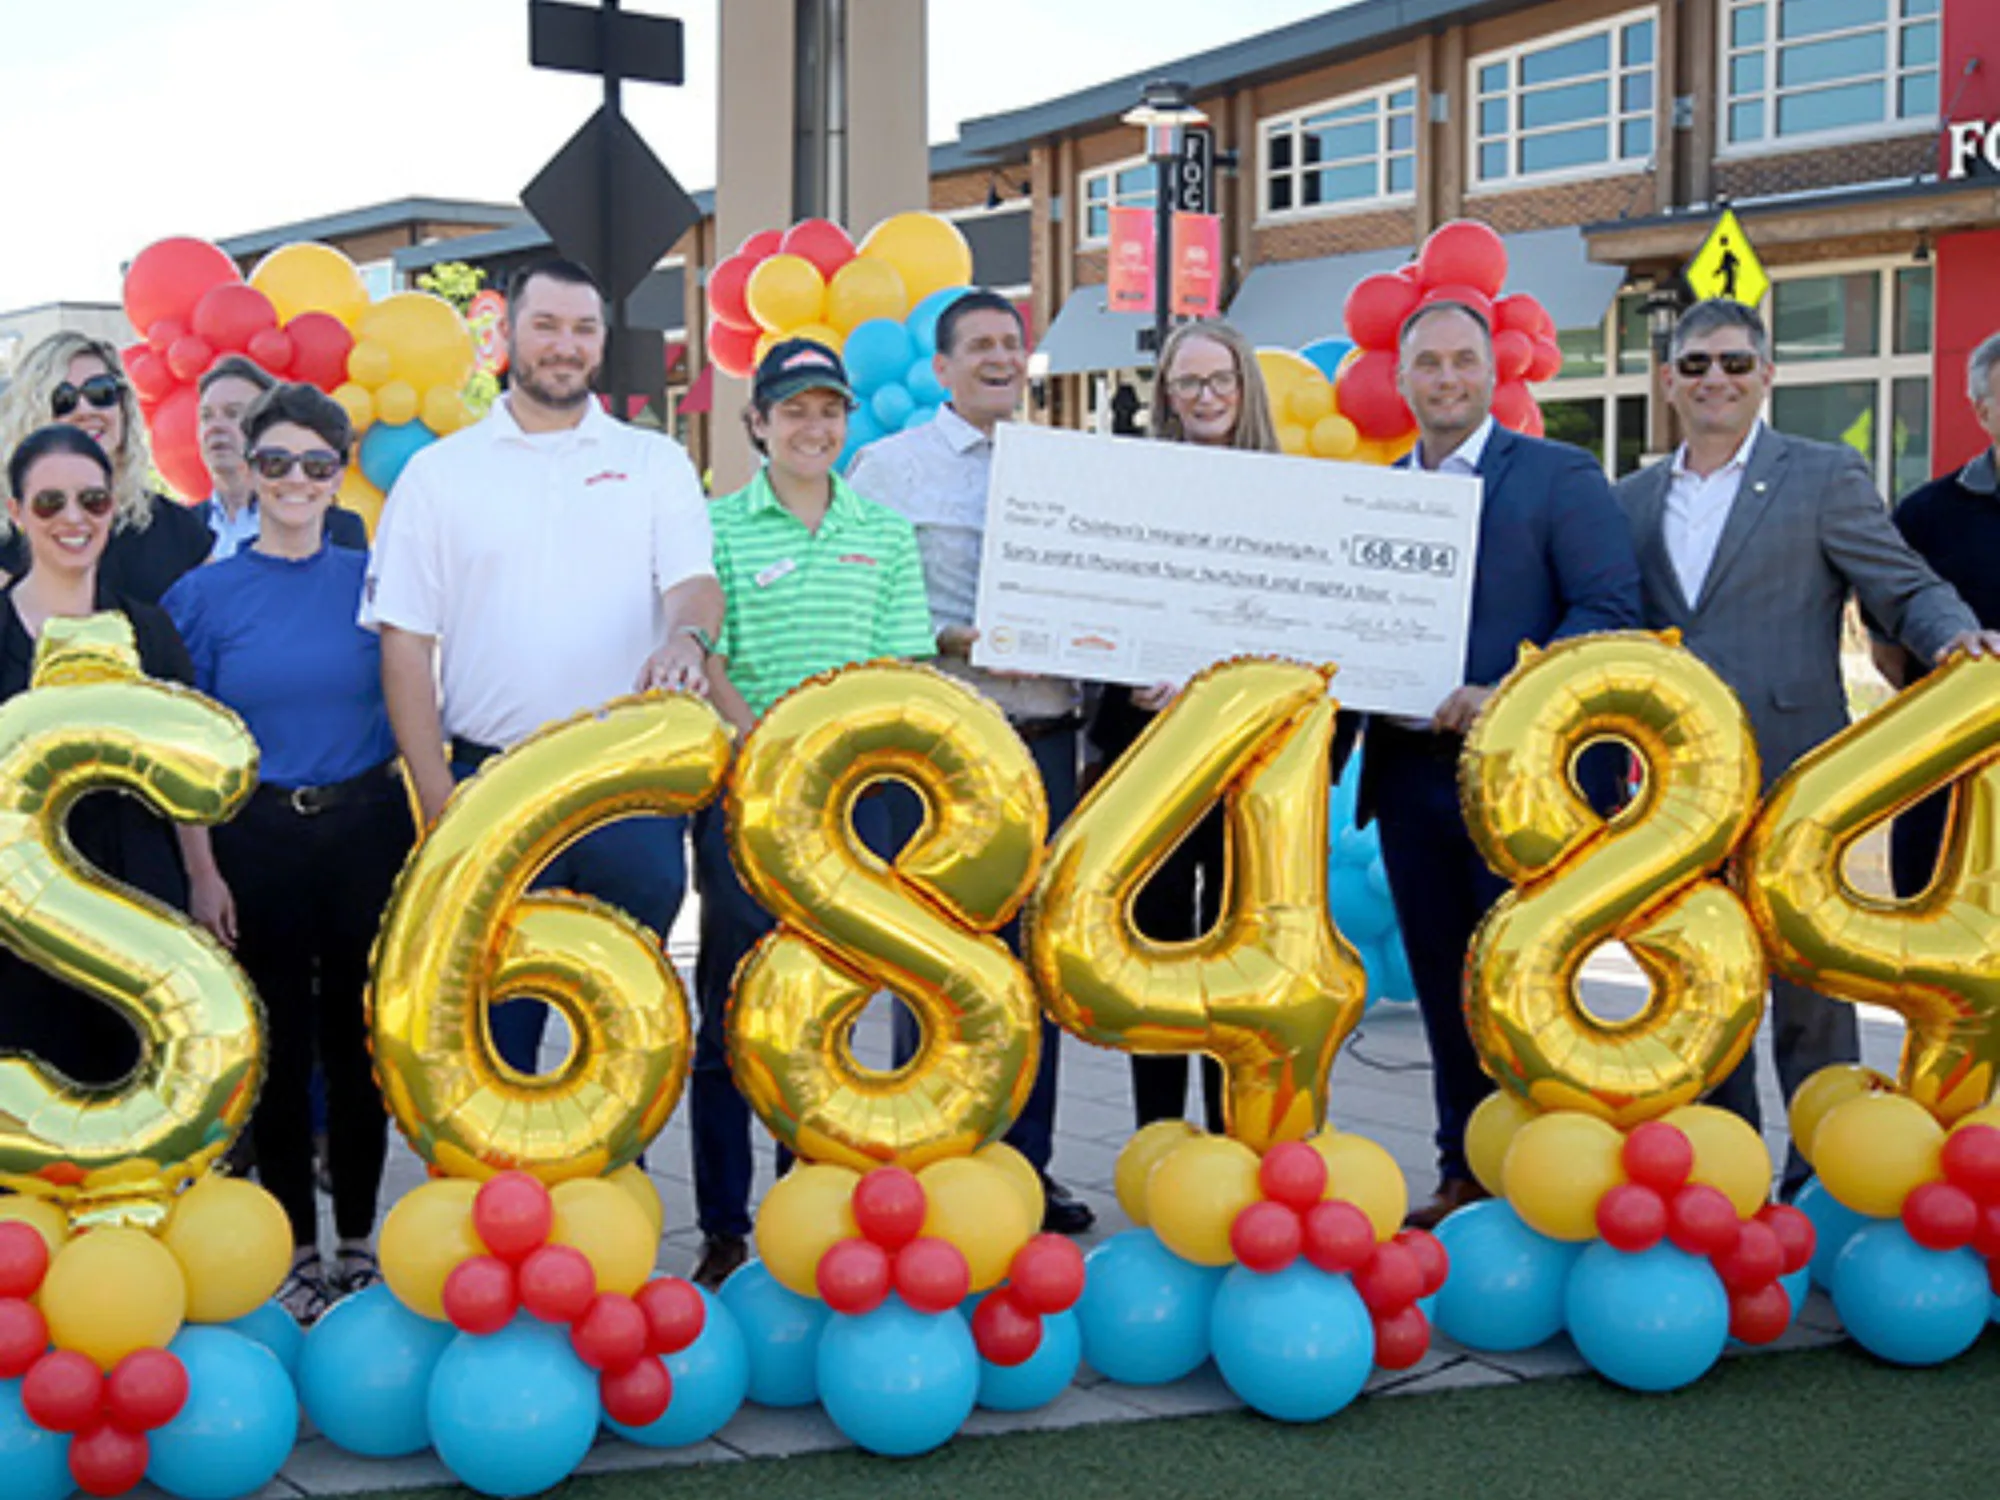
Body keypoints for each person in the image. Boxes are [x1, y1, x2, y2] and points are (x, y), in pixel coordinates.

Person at [1615, 298, 2000, 1186]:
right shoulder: (1629, 499)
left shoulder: (1821, 475)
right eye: (1699, 364)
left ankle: (1817, 1182)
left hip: (1797, 779)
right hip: (1675, 791)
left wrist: (1957, 639)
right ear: (1670, 381)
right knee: (1702, 985)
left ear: (1767, 378)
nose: (1717, 379)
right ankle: (1729, 1175)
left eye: (1737, 364)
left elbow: (1904, 586)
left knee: (1808, 991)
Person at [365, 258, 722, 1077]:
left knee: (625, 1033)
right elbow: (405, 644)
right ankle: (498, 1197)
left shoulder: (653, 460)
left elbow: (694, 586)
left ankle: (615, 1197)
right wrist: (435, 798)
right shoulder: (439, 474)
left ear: (601, 342)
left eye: (583, 329)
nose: (566, 346)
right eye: (547, 326)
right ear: (507, 338)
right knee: (494, 1036)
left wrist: (684, 642)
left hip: (627, 786)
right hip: (494, 783)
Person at [1342, 300, 1641, 1231]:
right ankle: (1463, 1169)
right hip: (1409, 775)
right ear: (1401, 379)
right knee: (1442, 980)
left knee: (1527, 984)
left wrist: (1500, 688)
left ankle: (1550, 1173)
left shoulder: (1558, 476)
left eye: (1463, 361)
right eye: (1426, 363)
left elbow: (1607, 608)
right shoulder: (1377, 496)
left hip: (1526, 783)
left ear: (1490, 373)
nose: (1445, 379)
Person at [687, 338, 934, 1289]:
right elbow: (707, 655)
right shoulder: (717, 528)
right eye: (793, 411)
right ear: (757, 423)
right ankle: (722, 1223)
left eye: (829, 410)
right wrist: (766, 756)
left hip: (853, 807)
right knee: (735, 1009)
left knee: (826, 1012)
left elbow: (898, 668)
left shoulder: (885, 528)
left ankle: (806, 1200)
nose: (813, 427)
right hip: (748, 801)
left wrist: (832, 772)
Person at [847, 289, 1094, 1235]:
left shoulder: (1068, 469)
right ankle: (935, 1153)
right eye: (979, 346)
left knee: (1037, 962)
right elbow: (865, 607)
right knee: (942, 960)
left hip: (1051, 742)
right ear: (942, 368)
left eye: (1012, 346)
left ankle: (1026, 1169)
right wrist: (962, 640)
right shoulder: (889, 469)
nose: (999, 358)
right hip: (948, 750)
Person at [163, 384, 410, 1325]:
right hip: (254, 836)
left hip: (364, 830)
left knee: (358, 1046)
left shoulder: (379, 580)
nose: (296, 480)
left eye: (316, 464)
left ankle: (356, 1242)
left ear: (339, 472)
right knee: (274, 1047)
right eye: (277, 463)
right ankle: (293, 1251)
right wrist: (201, 869)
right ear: (250, 470)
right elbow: (186, 745)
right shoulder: (204, 595)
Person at [1091, 319, 1281, 1135]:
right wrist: (1128, 683)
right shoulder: (1132, 493)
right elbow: (1098, 619)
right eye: (1188, 384)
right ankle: (1160, 1136)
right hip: (1157, 757)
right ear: (1165, 397)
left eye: (1219, 381)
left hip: (1252, 765)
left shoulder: (1298, 496)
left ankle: (1237, 1134)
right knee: (1160, 948)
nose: (1205, 398)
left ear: (1245, 387)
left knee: (1240, 947)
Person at [0, 426, 218, 1085]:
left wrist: (203, 875)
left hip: (138, 888)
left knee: (138, 1080)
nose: (74, 519)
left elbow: (186, 766)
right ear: (15, 513)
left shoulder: (148, 629)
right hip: (21, 917)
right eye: (50, 503)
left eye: (93, 501)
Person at [1871, 330, 2000, 898]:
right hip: (1947, 781)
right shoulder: (1926, 515)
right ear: (1981, 410)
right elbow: (1888, 644)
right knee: (1931, 949)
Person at [0, 332, 212, 601]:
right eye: (63, 400)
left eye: (100, 392)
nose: (85, 409)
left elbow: (223, 627)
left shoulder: (175, 528)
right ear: (31, 415)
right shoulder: (5, 530)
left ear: (123, 406)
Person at [195, 356, 368, 561]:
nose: (216, 427)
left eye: (233, 413)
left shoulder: (338, 528)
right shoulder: (176, 528)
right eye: (206, 416)